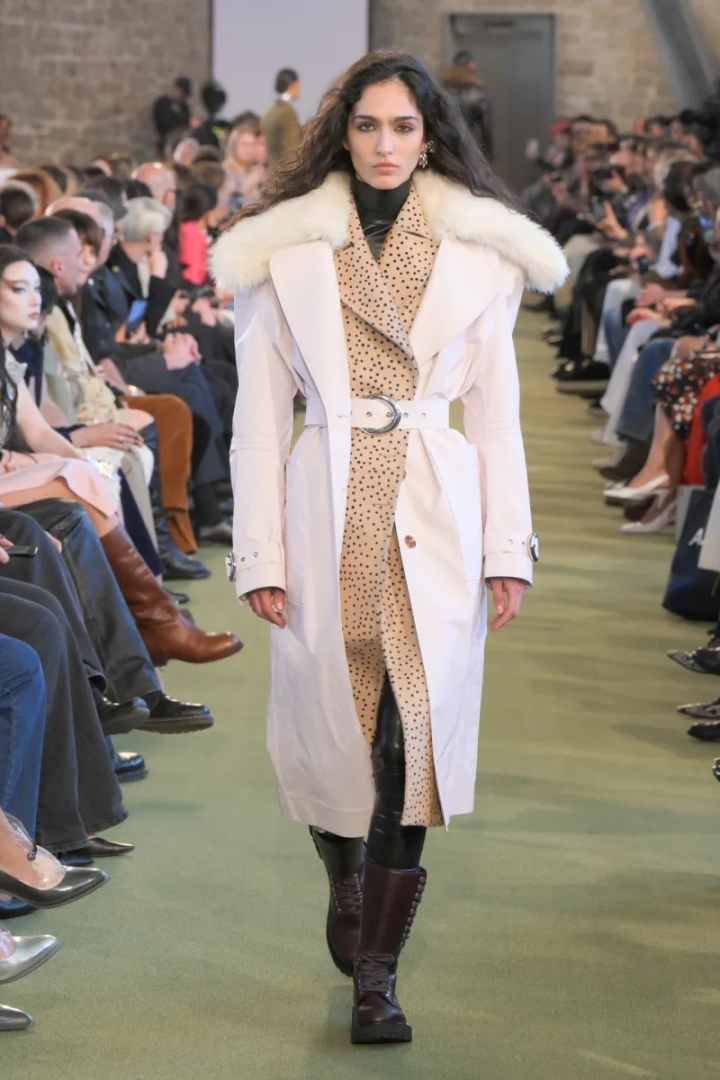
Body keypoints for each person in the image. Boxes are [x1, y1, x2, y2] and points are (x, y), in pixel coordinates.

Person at [213, 50, 567, 1044]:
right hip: (325, 502)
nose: (384, 145)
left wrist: (508, 546)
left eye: (403, 127)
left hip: (437, 510)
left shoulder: (483, 253)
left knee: (412, 739)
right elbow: (255, 421)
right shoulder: (277, 251)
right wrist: (260, 553)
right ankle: (345, 875)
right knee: (336, 734)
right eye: (367, 125)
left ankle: (378, 975)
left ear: (431, 135)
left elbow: (496, 415)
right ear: (341, 133)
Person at [439, 50, 492, 160]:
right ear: (471, 66)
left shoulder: (440, 91)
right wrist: (488, 158)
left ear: (453, 65)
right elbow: (485, 130)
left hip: (442, 150)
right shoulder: (477, 94)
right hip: (467, 152)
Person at [261, 68, 302, 167]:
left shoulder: (269, 111)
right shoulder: (288, 113)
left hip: (270, 170)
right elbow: (291, 150)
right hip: (283, 171)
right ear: (294, 85)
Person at [152, 76, 192, 153]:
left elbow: (187, 122)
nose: (183, 98)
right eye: (182, 94)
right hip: (166, 142)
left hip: (181, 143)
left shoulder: (184, 106)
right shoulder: (162, 104)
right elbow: (165, 122)